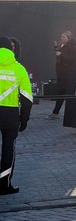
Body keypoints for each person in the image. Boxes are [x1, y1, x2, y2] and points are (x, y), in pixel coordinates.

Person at [0, 37, 33, 195]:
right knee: (8, 150)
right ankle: (4, 184)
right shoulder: (19, 69)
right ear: (12, 50)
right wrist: (24, 119)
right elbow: (27, 98)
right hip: (10, 115)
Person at [49, 30, 76, 120]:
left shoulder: (72, 47)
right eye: (61, 37)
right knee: (61, 93)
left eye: (64, 37)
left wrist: (61, 55)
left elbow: (72, 60)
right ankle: (56, 112)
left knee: (66, 93)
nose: (61, 38)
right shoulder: (62, 46)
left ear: (69, 38)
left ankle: (59, 112)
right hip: (61, 74)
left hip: (67, 74)